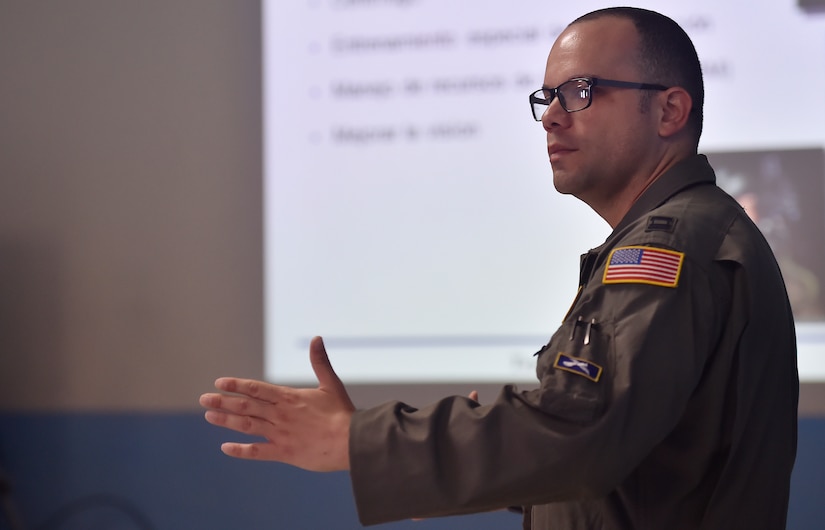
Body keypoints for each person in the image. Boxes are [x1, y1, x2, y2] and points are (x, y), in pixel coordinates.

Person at [200, 7, 799, 529]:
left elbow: (582, 434)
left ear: (670, 110)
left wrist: (356, 443)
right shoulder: (685, 235)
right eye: (547, 97)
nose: (552, 117)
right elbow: (640, 465)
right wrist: (455, 478)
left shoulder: (674, 248)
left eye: (582, 91)